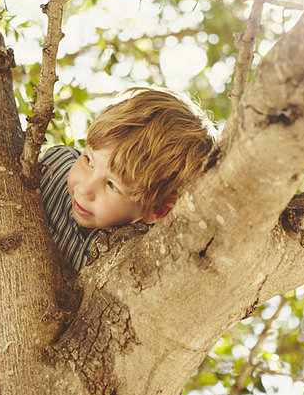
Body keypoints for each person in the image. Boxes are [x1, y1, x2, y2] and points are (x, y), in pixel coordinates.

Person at [40, 86, 217, 271]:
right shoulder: (53, 168)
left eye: (112, 186)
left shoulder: (143, 261)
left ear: (157, 211)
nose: (85, 190)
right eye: (88, 161)